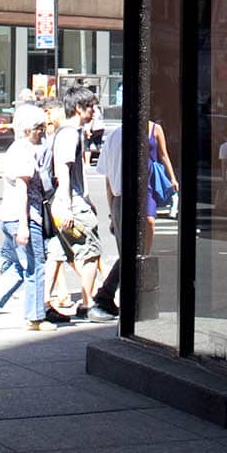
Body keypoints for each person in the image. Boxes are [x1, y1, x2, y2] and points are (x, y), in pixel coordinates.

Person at [0, 101, 67, 328]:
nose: (43, 131)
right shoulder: (23, 151)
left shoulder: (22, 149)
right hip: (25, 218)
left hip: (14, 217)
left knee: (24, 266)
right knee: (36, 266)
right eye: (39, 127)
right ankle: (35, 318)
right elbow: (22, 190)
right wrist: (24, 225)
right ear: (27, 130)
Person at [46, 88, 111, 318]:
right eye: (90, 106)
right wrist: (67, 204)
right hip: (72, 204)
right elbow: (63, 169)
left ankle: (44, 305)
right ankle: (87, 304)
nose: (94, 111)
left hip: (69, 202)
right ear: (78, 108)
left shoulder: (70, 133)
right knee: (91, 253)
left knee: (58, 252)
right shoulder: (69, 134)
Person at [94, 114, 124, 318]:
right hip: (132, 200)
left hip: (119, 201)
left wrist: (112, 211)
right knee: (132, 254)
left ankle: (105, 295)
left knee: (127, 254)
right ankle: (104, 295)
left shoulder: (113, 136)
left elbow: (107, 181)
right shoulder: (150, 131)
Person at [143, 104, 179, 254]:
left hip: (149, 176)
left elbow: (164, 154)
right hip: (135, 176)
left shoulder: (155, 129)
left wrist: (172, 178)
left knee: (150, 220)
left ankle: (146, 253)